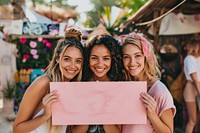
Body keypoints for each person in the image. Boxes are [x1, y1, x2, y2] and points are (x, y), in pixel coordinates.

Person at [13, 27, 84, 133]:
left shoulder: (73, 88)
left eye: (78, 61)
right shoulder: (44, 83)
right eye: (67, 59)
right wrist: (45, 115)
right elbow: (17, 129)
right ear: (57, 59)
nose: (72, 66)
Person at [120, 33, 176, 133]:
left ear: (146, 57)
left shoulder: (160, 91)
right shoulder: (124, 87)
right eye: (126, 57)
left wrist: (152, 115)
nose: (132, 62)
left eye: (137, 56)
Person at [70, 34, 124, 133]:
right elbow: (76, 131)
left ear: (113, 60)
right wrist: (88, 106)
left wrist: (104, 108)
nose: (100, 64)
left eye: (106, 58)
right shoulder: (79, 84)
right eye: (94, 58)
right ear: (87, 59)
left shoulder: (119, 87)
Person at [183, 41, 200, 133]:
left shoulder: (197, 58)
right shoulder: (189, 59)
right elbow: (194, 78)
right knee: (192, 120)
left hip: (197, 87)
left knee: (196, 120)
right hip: (191, 88)